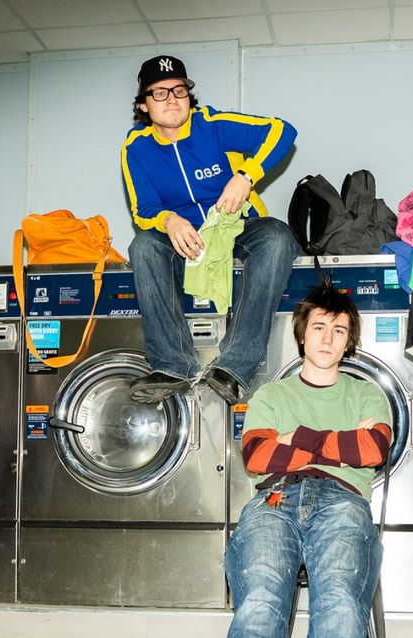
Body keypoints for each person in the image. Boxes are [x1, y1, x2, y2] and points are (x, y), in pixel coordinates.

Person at [199, 282, 391, 638]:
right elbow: (258, 456)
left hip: (343, 501)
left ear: (349, 342)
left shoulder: (367, 394)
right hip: (276, 497)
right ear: (302, 335)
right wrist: (338, 444)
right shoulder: (271, 394)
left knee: (339, 591)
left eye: (339, 331)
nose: (327, 338)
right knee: (262, 591)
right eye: (319, 328)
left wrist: (297, 438)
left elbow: (373, 449)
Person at [121, 54, 300, 405]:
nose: (172, 99)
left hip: (237, 228)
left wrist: (246, 176)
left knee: (278, 237)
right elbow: (143, 210)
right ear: (143, 104)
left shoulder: (212, 124)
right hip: (185, 240)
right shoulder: (136, 149)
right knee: (143, 246)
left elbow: (282, 131)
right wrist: (169, 220)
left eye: (179, 90)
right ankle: (172, 365)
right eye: (160, 93)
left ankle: (233, 367)